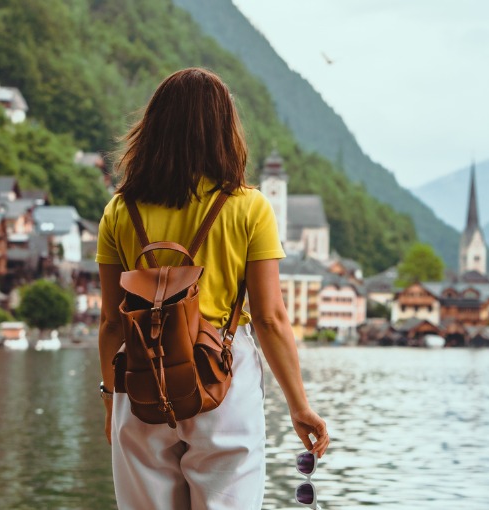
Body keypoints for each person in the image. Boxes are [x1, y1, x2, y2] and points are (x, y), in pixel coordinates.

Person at [96, 67, 329, 509]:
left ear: (154, 128)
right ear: (225, 130)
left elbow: (111, 322)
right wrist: (299, 406)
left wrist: (111, 399)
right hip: (223, 375)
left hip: (141, 379)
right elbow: (269, 318)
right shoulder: (250, 208)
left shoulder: (119, 211)